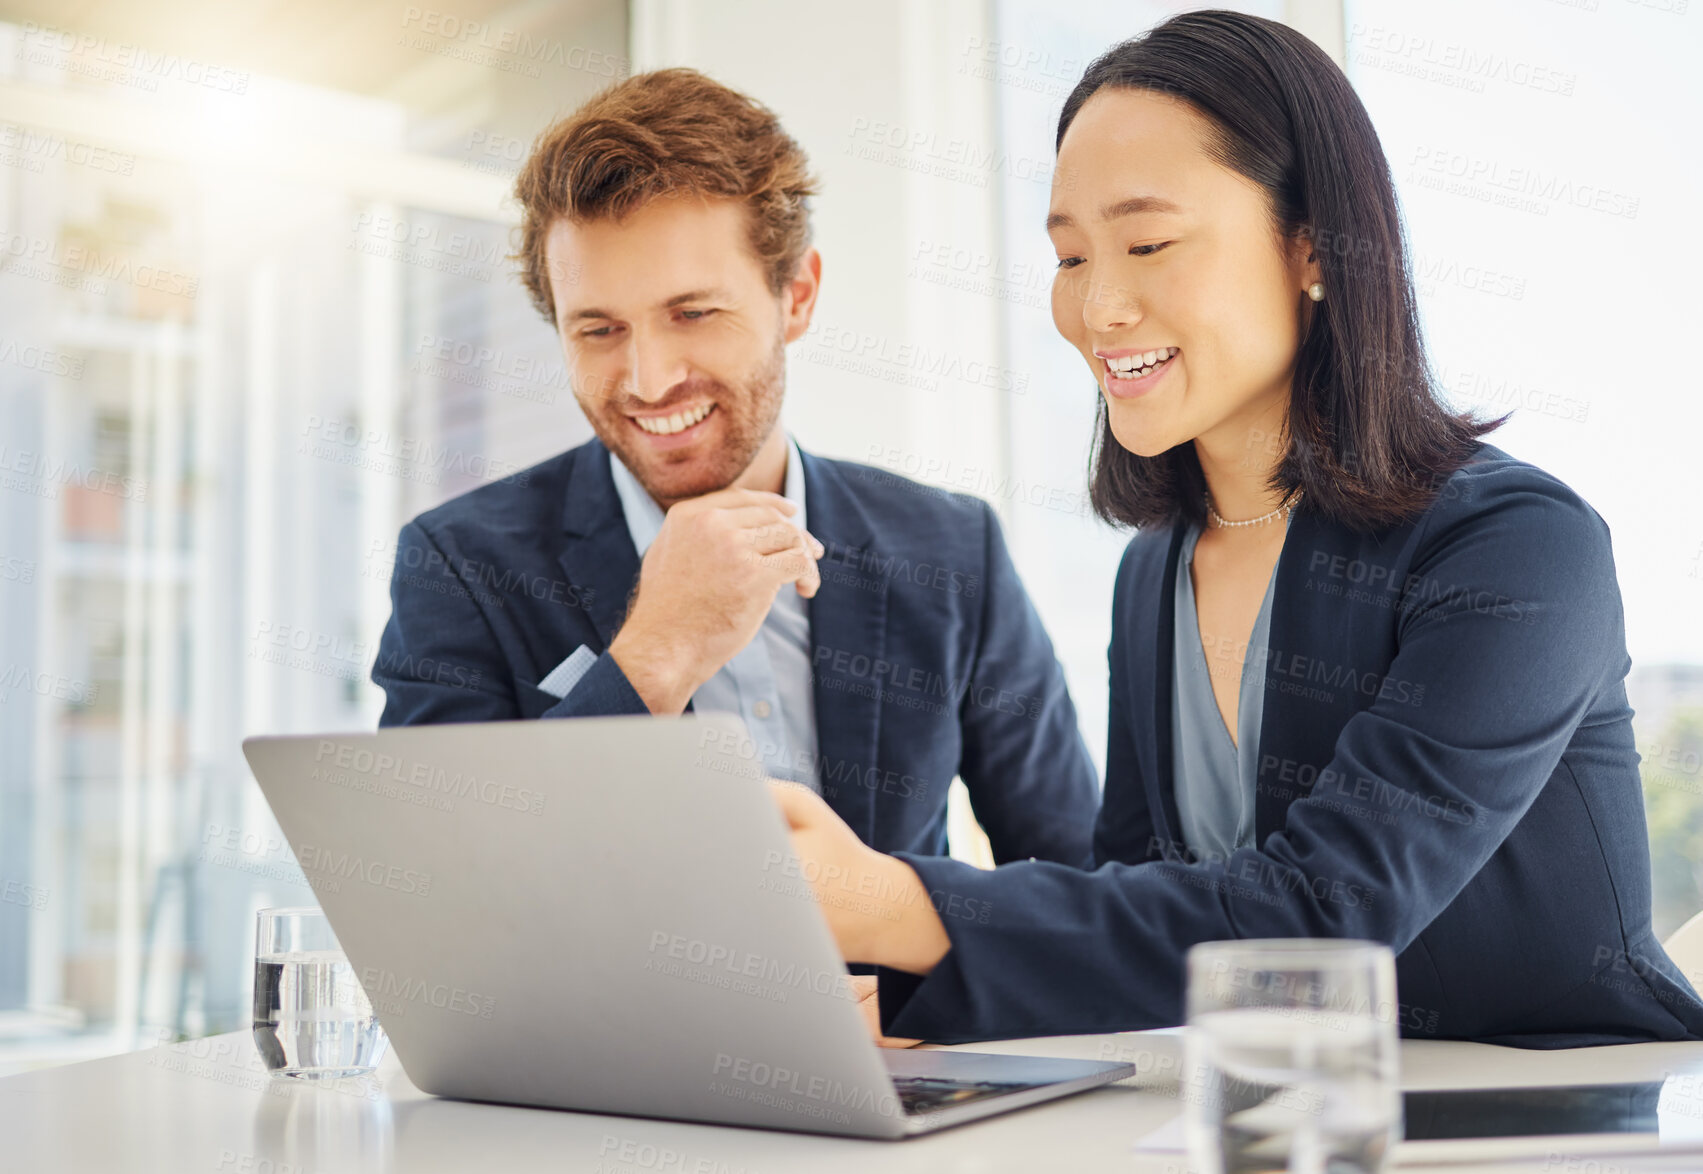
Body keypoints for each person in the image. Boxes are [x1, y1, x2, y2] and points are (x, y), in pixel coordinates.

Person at [771, 9, 1703, 1046]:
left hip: (1564, 1118)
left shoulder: (1518, 546)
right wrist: (908, 997)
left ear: (1310, 248)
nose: (1098, 307)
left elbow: (1327, 914)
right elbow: (1134, 898)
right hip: (1278, 1113)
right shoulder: (1155, 571)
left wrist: (908, 907)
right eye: (1071, 257)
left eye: (1148, 242)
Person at [370, 68, 1099, 866]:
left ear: (797, 296)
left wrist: (926, 984)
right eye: (599, 330)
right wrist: (653, 654)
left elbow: (1072, 888)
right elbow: (437, 884)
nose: (649, 380)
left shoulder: (952, 550)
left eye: (692, 313)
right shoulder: (462, 566)